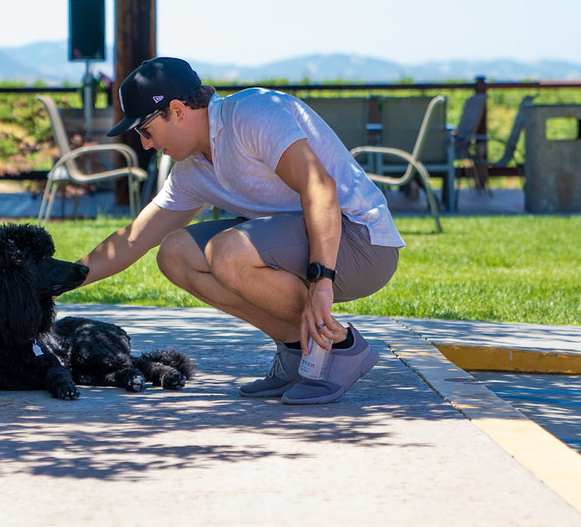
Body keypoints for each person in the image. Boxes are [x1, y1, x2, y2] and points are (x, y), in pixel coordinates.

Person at [74, 57, 404, 405]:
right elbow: (133, 239)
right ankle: (297, 349)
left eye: (144, 129)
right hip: (308, 241)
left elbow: (319, 187)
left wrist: (321, 282)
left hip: (361, 242)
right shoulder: (192, 170)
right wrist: (56, 281)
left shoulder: (252, 113)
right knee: (175, 254)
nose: (145, 144)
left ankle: (340, 346)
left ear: (176, 110)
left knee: (228, 251)